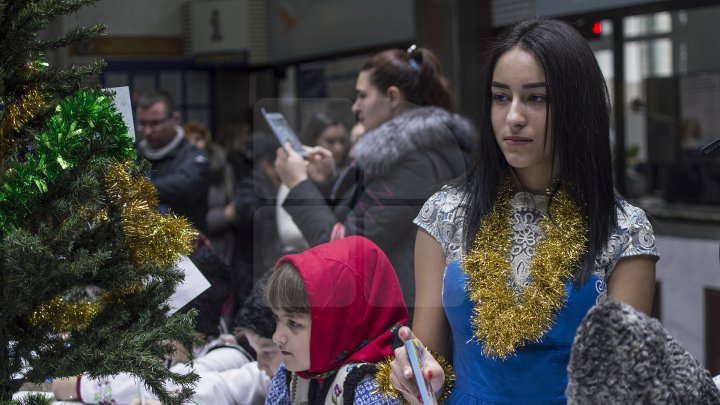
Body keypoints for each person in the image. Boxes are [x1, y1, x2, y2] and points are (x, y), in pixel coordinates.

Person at [382, 18, 659, 404]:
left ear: (577, 106)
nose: (513, 116)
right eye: (500, 97)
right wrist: (414, 374)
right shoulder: (445, 214)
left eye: (536, 98)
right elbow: (428, 361)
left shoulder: (624, 230)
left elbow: (623, 385)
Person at [275, 46, 476, 316]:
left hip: (403, 320)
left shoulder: (413, 161)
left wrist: (299, 184)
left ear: (392, 97)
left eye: (362, 96)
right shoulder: (417, 152)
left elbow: (345, 249)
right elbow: (370, 223)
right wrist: (325, 182)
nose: (356, 107)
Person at [52, 272, 280, 405]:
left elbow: (188, 385)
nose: (154, 341)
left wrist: (79, 387)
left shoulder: (228, 355)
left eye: (160, 331)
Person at [263, 236, 407, 404]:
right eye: (277, 318)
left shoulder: (375, 390)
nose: (277, 337)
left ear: (341, 324)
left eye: (294, 323)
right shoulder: (292, 373)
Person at [135, 90, 209, 232]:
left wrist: (136, 189)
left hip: (188, 250)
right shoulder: (136, 156)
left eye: (155, 123)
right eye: (142, 124)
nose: (147, 132)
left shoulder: (194, 157)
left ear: (175, 119)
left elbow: (185, 184)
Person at [184, 120, 237, 266]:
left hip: (223, 244)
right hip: (192, 242)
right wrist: (223, 216)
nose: (194, 144)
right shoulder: (181, 175)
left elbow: (233, 204)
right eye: (188, 140)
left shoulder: (224, 170)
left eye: (198, 139)